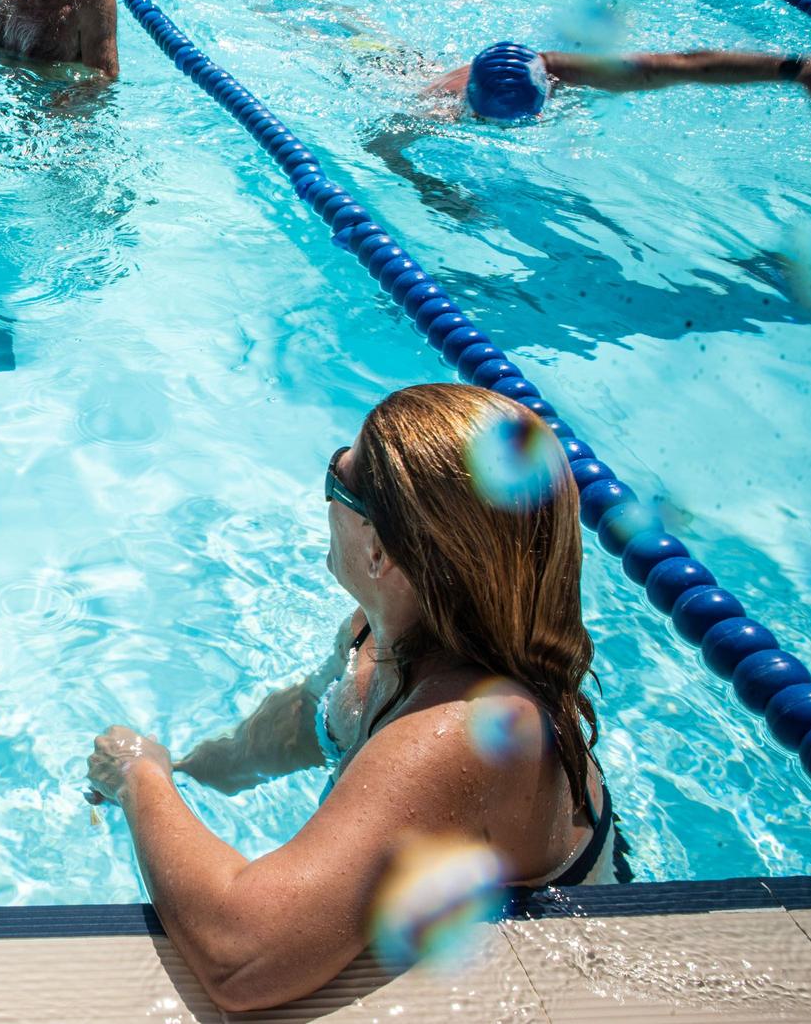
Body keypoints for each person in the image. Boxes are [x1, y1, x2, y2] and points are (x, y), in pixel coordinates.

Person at [87, 385, 621, 1014]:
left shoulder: (461, 730)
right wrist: (202, 767)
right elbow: (307, 725)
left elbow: (242, 957)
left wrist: (137, 777)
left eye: (336, 476)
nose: (327, 487)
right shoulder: (378, 632)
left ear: (380, 551)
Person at [429, 41, 811, 120]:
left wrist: (801, 70)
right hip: (425, 80)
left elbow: (690, 65)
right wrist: (428, 187)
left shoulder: (566, 70)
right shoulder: (440, 108)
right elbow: (382, 145)